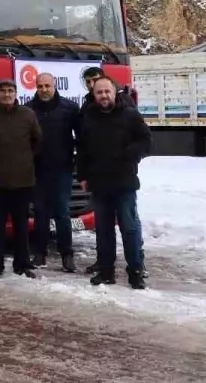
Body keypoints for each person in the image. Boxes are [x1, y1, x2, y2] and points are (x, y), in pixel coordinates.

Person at [77, 76, 152, 289]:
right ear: (94, 95)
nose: (103, 96)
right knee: (103, 230)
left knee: (129, 228)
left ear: (114, 92)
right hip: (99, 184)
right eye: (99, 92)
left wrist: (128, 155)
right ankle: (106, 271)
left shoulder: (129, 115)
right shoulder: (88, 117)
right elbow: (82, 149)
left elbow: (146, 141)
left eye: (107, 92)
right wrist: (82, 175)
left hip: (124, 182)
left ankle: (135, 271)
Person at [0, 79, 42, 279]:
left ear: (16, 93)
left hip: (22, 181)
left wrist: (25, 159)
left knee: (21, 227)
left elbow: (37, 141)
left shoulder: (28, 115)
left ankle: (22, 264)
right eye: (3, 91)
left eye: (10, 91)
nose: (7, 95)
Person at [29, 72, 82, 272]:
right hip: (37, 169)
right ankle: (40, 253)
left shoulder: (70, 108)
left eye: (47, 86)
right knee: (40, 213)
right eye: (40, 86)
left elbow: (81, 137)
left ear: (54, 85)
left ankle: (67, 255)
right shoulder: (28, 109)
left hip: (62, 169)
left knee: (62, 213)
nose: (44, 90)